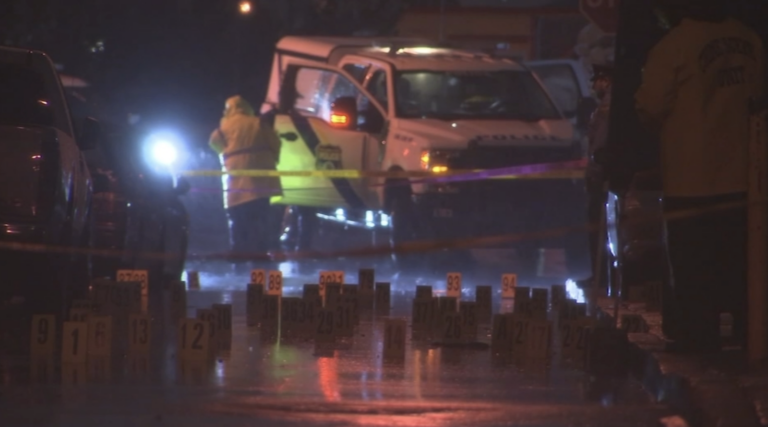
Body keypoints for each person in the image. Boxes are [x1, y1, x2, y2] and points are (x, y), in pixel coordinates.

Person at [635, 0, 765, 351]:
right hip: (746, 178)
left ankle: (699, 339)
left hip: (691, 176)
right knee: (741, 266)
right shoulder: (749, 39)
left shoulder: (674, 45)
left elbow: (650, 105)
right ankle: (746, 334)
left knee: (694, 266)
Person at [209, 95, 282, 273]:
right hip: (260, 182)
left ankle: (239, 255)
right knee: (259, 218)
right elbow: (275, 143)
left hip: (235, 182)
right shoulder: (258, 123)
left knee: (237, 219)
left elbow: (213, 142)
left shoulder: (223, 127)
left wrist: (228, 155)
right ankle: (260, 255)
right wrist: (271, 159)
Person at [582, 62, 613, 288]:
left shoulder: (608, 106)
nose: (594, 86)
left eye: (597, 80)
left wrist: (596, 173)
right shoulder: (605, 105)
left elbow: (600, 145)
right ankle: (600, 275)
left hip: (602, 177)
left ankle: (600, 277)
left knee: (598, 229)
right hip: (600, 175)